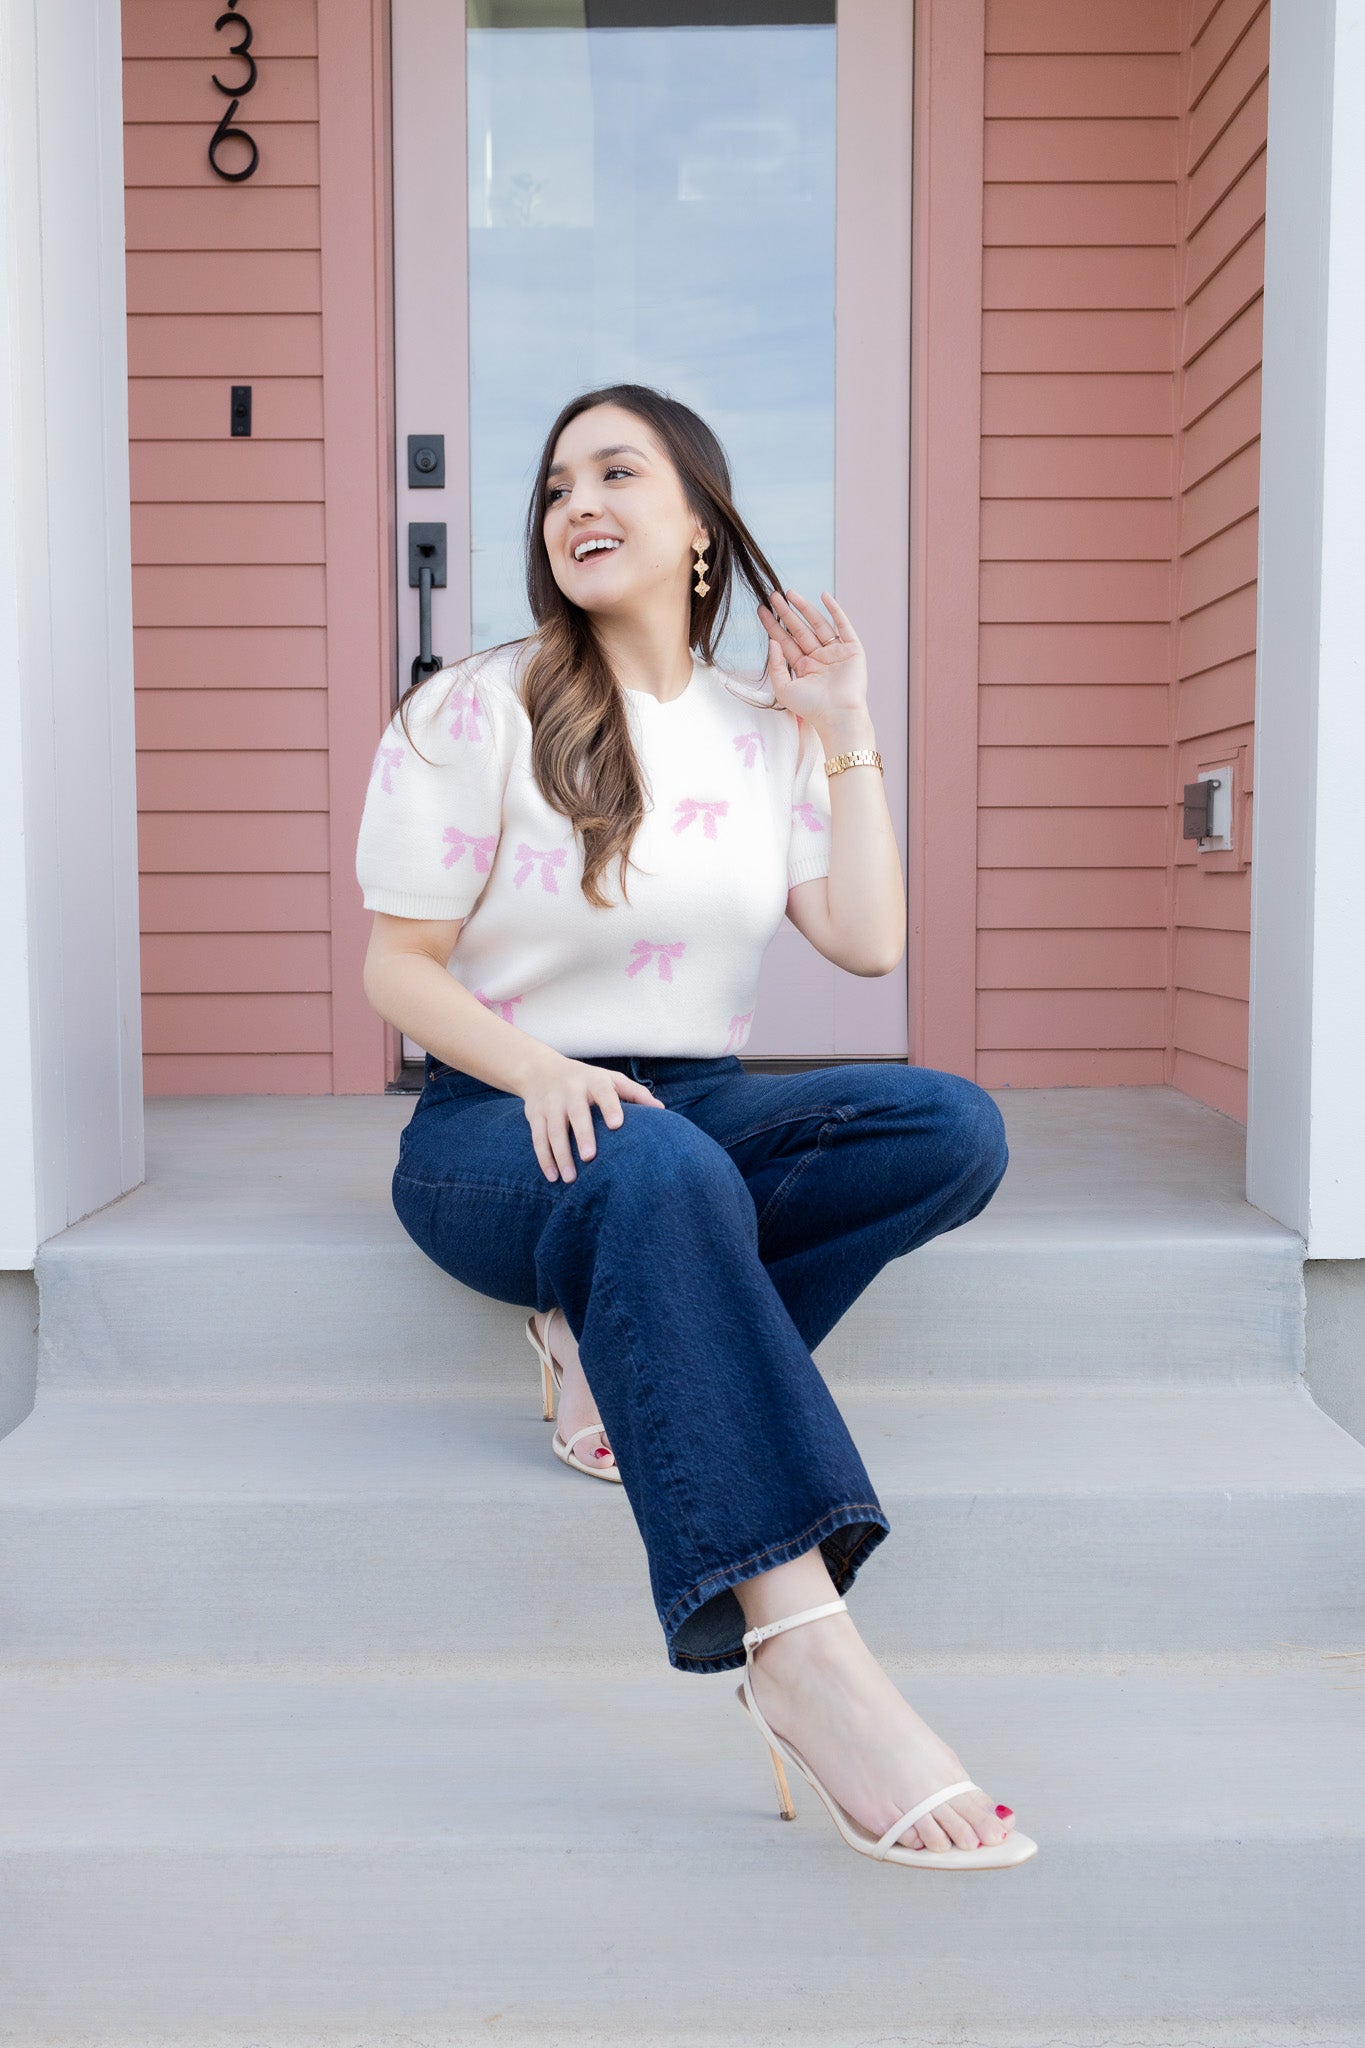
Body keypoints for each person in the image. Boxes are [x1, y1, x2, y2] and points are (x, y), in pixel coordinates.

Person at [355, 382, 1037, 1871]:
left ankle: (615, 1323)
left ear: (701, 527)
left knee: (948, 1129)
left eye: (617, 474)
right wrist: (538, 1072)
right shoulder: (473, 706)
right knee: (646, 1156)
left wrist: (845, 728)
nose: (576, 505)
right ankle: (800, 1647)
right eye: (554, 488)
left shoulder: (761, 731)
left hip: (686, 1103)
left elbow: (864, 941)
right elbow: (397, 972)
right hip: (493, 1114)